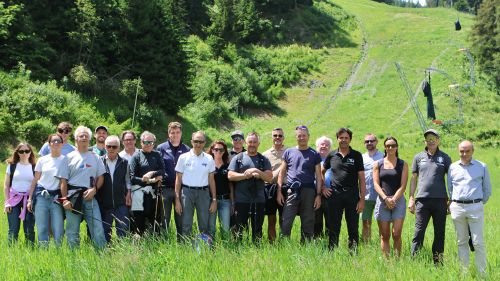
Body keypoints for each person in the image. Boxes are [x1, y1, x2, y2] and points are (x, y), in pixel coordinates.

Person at [57, 126, 107, 249]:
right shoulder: (68, 157)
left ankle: (101, 254)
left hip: (90, 196)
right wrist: (64, 199)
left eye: (86, 136)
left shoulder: (96, 157)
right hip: (73, 197)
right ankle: (72, 257)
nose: (84, 137)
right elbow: (63, 181)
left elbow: (101, 177)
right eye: (81, 135)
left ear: (90, 139)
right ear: (76, 139)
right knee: (72, 230)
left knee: (97, 227)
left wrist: (94, 190)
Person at [448, 140, 492, 275]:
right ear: (458, 151)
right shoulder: (452, 167)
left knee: (478, 242)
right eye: (462, 151)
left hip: (475, 207)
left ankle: (482, 273)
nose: (464, 153)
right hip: (457, 208)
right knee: (461, 241)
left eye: (467, 151)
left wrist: (477, 203)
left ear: (472, 151)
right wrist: (455, 203)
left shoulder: (481, 166)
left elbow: (487, 189)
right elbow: (450, 188)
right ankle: (464, 273)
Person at [408, 129, 451, 264]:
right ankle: (415, 261)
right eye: (428, 138)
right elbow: (414, 178)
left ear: (438, 140)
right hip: (422, 201)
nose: (431, 140)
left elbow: (451, 179)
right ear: (425, 141)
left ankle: (438, 262)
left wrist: (451, 200)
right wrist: (411, 198)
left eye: (433, 138)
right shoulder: (418, 157)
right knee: (418, 232)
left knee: (439, 233)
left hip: (440, 201)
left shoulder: (445, 157)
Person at [323, 128, 366, 251]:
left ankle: (353, 254)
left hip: (352, 196)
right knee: (333, 227)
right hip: (334, 196)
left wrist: (362, 200)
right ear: (337, 139)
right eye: (341, 137)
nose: (343, 140)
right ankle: (332, 253)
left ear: (350, 139)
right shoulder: (331, 155)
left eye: (346, 138)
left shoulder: (357, 155)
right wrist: (323, 187)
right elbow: (321, 172)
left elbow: (362, 180)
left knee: (353, 227)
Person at [277, 126, 322, 242]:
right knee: (286, 221)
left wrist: (318, 195)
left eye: (304, 135)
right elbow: (281, 173)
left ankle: (306, 246)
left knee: (308, 221)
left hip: (309, 191)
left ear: (308, 136)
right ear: (296, 137)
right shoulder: (288, 152)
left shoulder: (315, 154)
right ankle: (283, 246)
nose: (301, 138)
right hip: (292, 191)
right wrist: (279, 192)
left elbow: (318, 176)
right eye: (299, 136)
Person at [228, 132, 272, 242]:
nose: (252, 144)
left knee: (257, 229)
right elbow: (230, 175)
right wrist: (244, 175)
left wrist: (257, 171)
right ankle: (238, 249)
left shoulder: (263, 159)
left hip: (259, 200)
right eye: (250, 142)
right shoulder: (238, 158)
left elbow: (269, 178)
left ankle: (257, 251)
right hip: (241, 200)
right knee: (239, 228)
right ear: (246, 143)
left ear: (259, 143)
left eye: (255, 142)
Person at [174, 131, 217, 238]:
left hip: (203, 193)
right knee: (186, 223)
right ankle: (186, 249)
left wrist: (214, 200)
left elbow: (211, 180)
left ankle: (203, 248)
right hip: (187, 193)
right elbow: (178, 180)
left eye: (201, 142)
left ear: (204, 143)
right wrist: (177, 200)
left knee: (204, 224)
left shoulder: (209, 158)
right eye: (196, 141)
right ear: (191, 142)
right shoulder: (183, 157)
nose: (198, 144)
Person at [373, 137, 408, 257]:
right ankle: (387, 262)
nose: (390, 148)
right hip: (383, 201)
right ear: (385, 147)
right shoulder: (378, 164)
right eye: (388, 146)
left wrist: (393, 199)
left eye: (393, 145)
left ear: (397, 147)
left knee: (396, 233)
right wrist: (386, 199)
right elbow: (376, 184)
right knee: (385, 234)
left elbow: (403, 186)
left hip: (398, 201)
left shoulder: (403, 164)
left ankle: (397, 260)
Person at [27, 134, 65, 246]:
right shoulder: (42, 160)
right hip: (41, 196)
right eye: (53, 141)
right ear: (49, 144)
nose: (56, 143)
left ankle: (60, 253)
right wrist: (30, 199)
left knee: (58, 228)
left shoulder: (66, 160)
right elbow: (35, 180)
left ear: (62, 144)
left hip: (57, 198)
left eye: (58, 141)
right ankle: (43, 251)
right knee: (42, 227)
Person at [157, 121, 190, 238]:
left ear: (181, 133)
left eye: (177, 132)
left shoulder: (187, 149)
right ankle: (164, 242)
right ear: (168, 133)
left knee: (181, 218)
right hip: (165, 189)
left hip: (182, 190)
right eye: (172, 132)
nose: (175, 135)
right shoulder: (161, 148)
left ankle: (181, 243)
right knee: (164, 219)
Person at [129, 131, 165, 235]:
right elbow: (132, 177)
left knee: (155, 220)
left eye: (151, 142)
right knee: (139, 220)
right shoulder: (136, 156)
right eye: (146, 142)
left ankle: (155, 243)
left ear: (154, 143)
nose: (148, 144)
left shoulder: (157, 154)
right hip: (139, 193)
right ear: (141, 143)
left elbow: (162, 171)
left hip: (154, 193)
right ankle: (139, 241)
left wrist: (151, 173)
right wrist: (144, 180)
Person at [98, 135, 132, 243]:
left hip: (121, 203)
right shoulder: (99, 161)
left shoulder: (124, 162)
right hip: (104, 204)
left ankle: (123, 255)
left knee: (123, 232)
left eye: (114, 146)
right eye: (109, 146)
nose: (111, 149)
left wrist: (129, 193)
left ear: (119, 147)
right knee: (105, 232)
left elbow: (127, 180)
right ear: (105, 146)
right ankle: (106, 255)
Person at [4, 143, 36, 244]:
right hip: (13, 199)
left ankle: (30, 249)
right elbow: (6, 185)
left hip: (29, 199)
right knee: (13, 229)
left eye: (27, 151)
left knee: (29, 228)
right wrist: (7, 202)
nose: (24, 153)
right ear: (17, 153)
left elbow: (36, 184)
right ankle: (12, 251)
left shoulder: (35, 167)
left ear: (30, 152)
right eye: (21, 151)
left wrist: (31, 199)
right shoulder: (11, 166)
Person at [262, 128, 287, 242]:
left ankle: (283, 243)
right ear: (272, 137)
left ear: (283, 138)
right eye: (275, 135)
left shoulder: (289, 152)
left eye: (280, 136)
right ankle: (271, 243)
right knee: (271, 219)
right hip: (270, 188)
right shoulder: (265, 155)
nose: (277, 138)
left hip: (285, 188)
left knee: (284, 218)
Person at [207, 140, 233, 239]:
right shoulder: (208, 164)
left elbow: (231, 185)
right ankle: (210, 249)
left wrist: (232, 202)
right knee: (211, 228)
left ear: (224, 151)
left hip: (225, 200)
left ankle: (226, 250)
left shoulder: (228, 166)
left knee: (225, 228)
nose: (218, 152)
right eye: (216, 149)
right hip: (210, 200)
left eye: (221, 150)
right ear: (212, 150)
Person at [361, 133, 384, 243]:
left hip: (380, 196)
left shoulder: (383, 157)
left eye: (371, 141)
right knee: (365, 222)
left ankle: (383, 245)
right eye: (367, 141)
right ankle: (366, 246)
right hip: (365, 195)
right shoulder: (361, 157)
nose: (369, 143)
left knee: (381, 222)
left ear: (376, 142)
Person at [314, 135, 332, 238]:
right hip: (315, 194)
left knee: (330, 221)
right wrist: (322, 188)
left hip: (330, 194)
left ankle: (330, 243)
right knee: (316, 221)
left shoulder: (334, 159)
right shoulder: (312, 158)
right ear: (317, 146)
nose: (324, 146)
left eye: (327, 144)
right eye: (322, 144)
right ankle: (318, 242)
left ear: (330, 147)